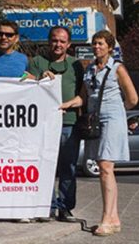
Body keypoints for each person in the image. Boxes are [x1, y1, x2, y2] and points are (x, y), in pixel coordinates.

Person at [60, 30, 139, 236]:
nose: (96, 47)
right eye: (94, 43)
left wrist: (117, 111)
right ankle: (113, 218)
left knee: (105, 166)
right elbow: (82, 98)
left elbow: (132, 99)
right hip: (95, 120)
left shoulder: (117, 68)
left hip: (112, 118)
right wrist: (66, 104)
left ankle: (107, 219)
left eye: (101, 44)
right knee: (104, 168)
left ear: (110, 47)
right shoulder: (90, 70)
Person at [27, 26, 85, 222]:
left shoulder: (76, 65)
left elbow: (82, 95)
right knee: (45, 167)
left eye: (62, 41)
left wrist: (70, 104)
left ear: (68, 44)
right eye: (54, 40)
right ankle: (47, 206)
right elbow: (26, 86)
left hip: (68, 123)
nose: (57, 44)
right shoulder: (37, 62)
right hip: (42, 124)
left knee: (67, 167)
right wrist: (38, 79)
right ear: (48, 41)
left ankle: (65, 207)